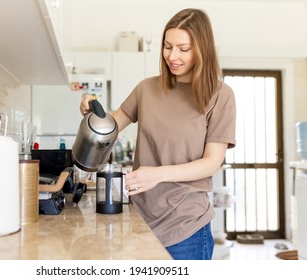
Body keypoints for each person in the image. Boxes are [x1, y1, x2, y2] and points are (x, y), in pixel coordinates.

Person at [79, 8, 236, 260]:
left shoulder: (220, 95)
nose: (172, 56)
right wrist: (92, 111)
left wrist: (158, 175)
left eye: (183, 49)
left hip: (187, 229)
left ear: (202, 49)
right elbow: (112, 125)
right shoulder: (146, 89)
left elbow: (211, 163)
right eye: (167, 46)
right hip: (141, 220)